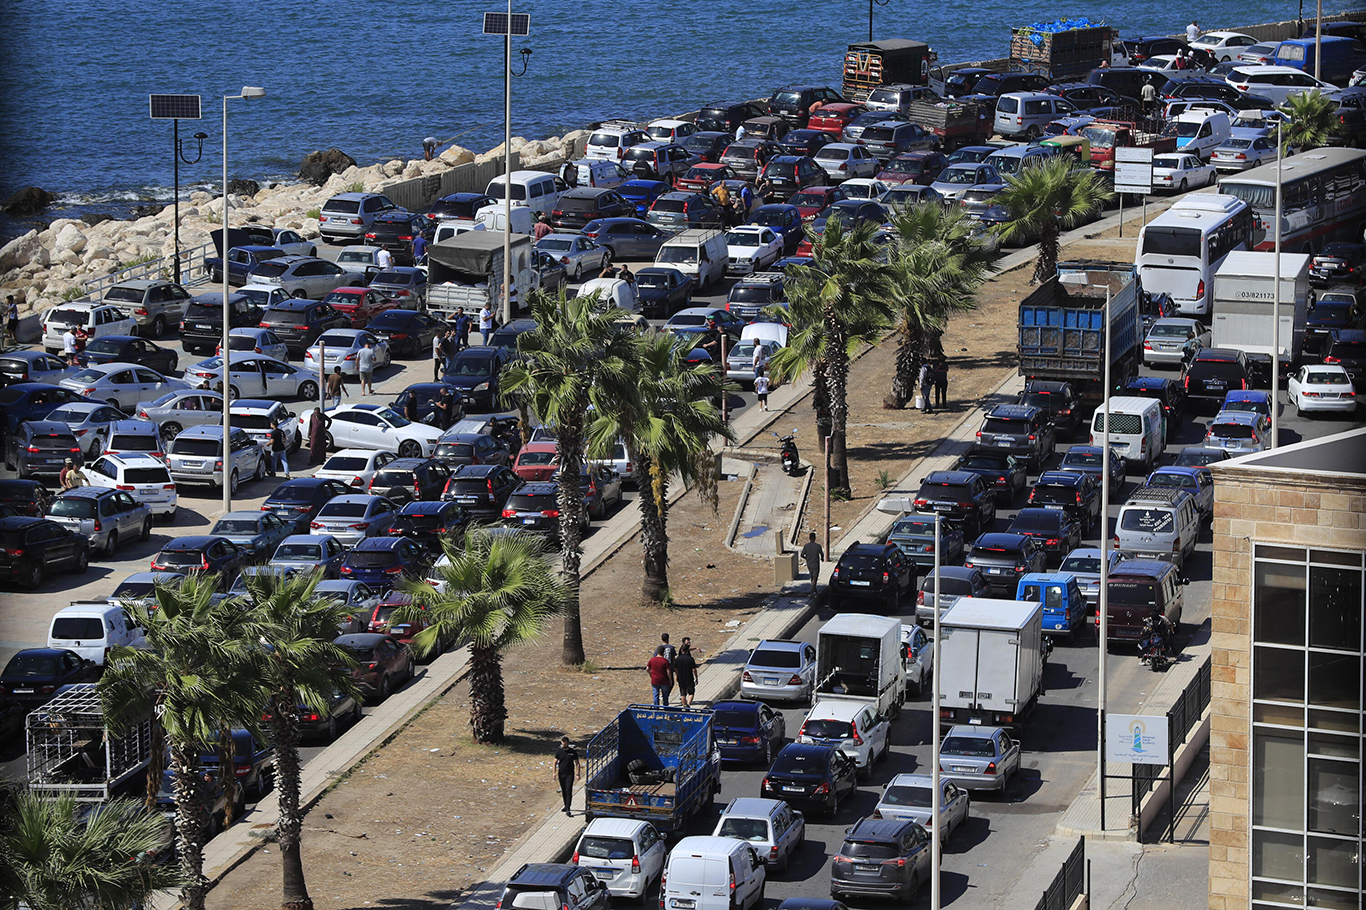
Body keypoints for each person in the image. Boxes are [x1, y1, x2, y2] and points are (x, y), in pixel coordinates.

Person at [553, 736, 580, 815]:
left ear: (568, 743)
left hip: (569, 774)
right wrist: (554, 773)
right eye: (562, 743)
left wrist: (577, 774)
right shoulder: (559, 751)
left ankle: (568, 808)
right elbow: (555, 762)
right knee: (564, 790)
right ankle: (565, 805)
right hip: (561, 773)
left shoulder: (572, 752)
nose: (563, 744)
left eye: (565, 743)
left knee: (568, 790)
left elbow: (577, 763)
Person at [674, 643, 699, 707]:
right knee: (691, 692)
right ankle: (688, 703)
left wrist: (677, 676)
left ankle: (684, 705)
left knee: (682, 693)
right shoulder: (690, 659)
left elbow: (675, 669)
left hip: (681, 678)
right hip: (689, 677)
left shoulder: (678, 659)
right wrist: (696, 677)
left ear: (681, 650)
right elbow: (694, 669)